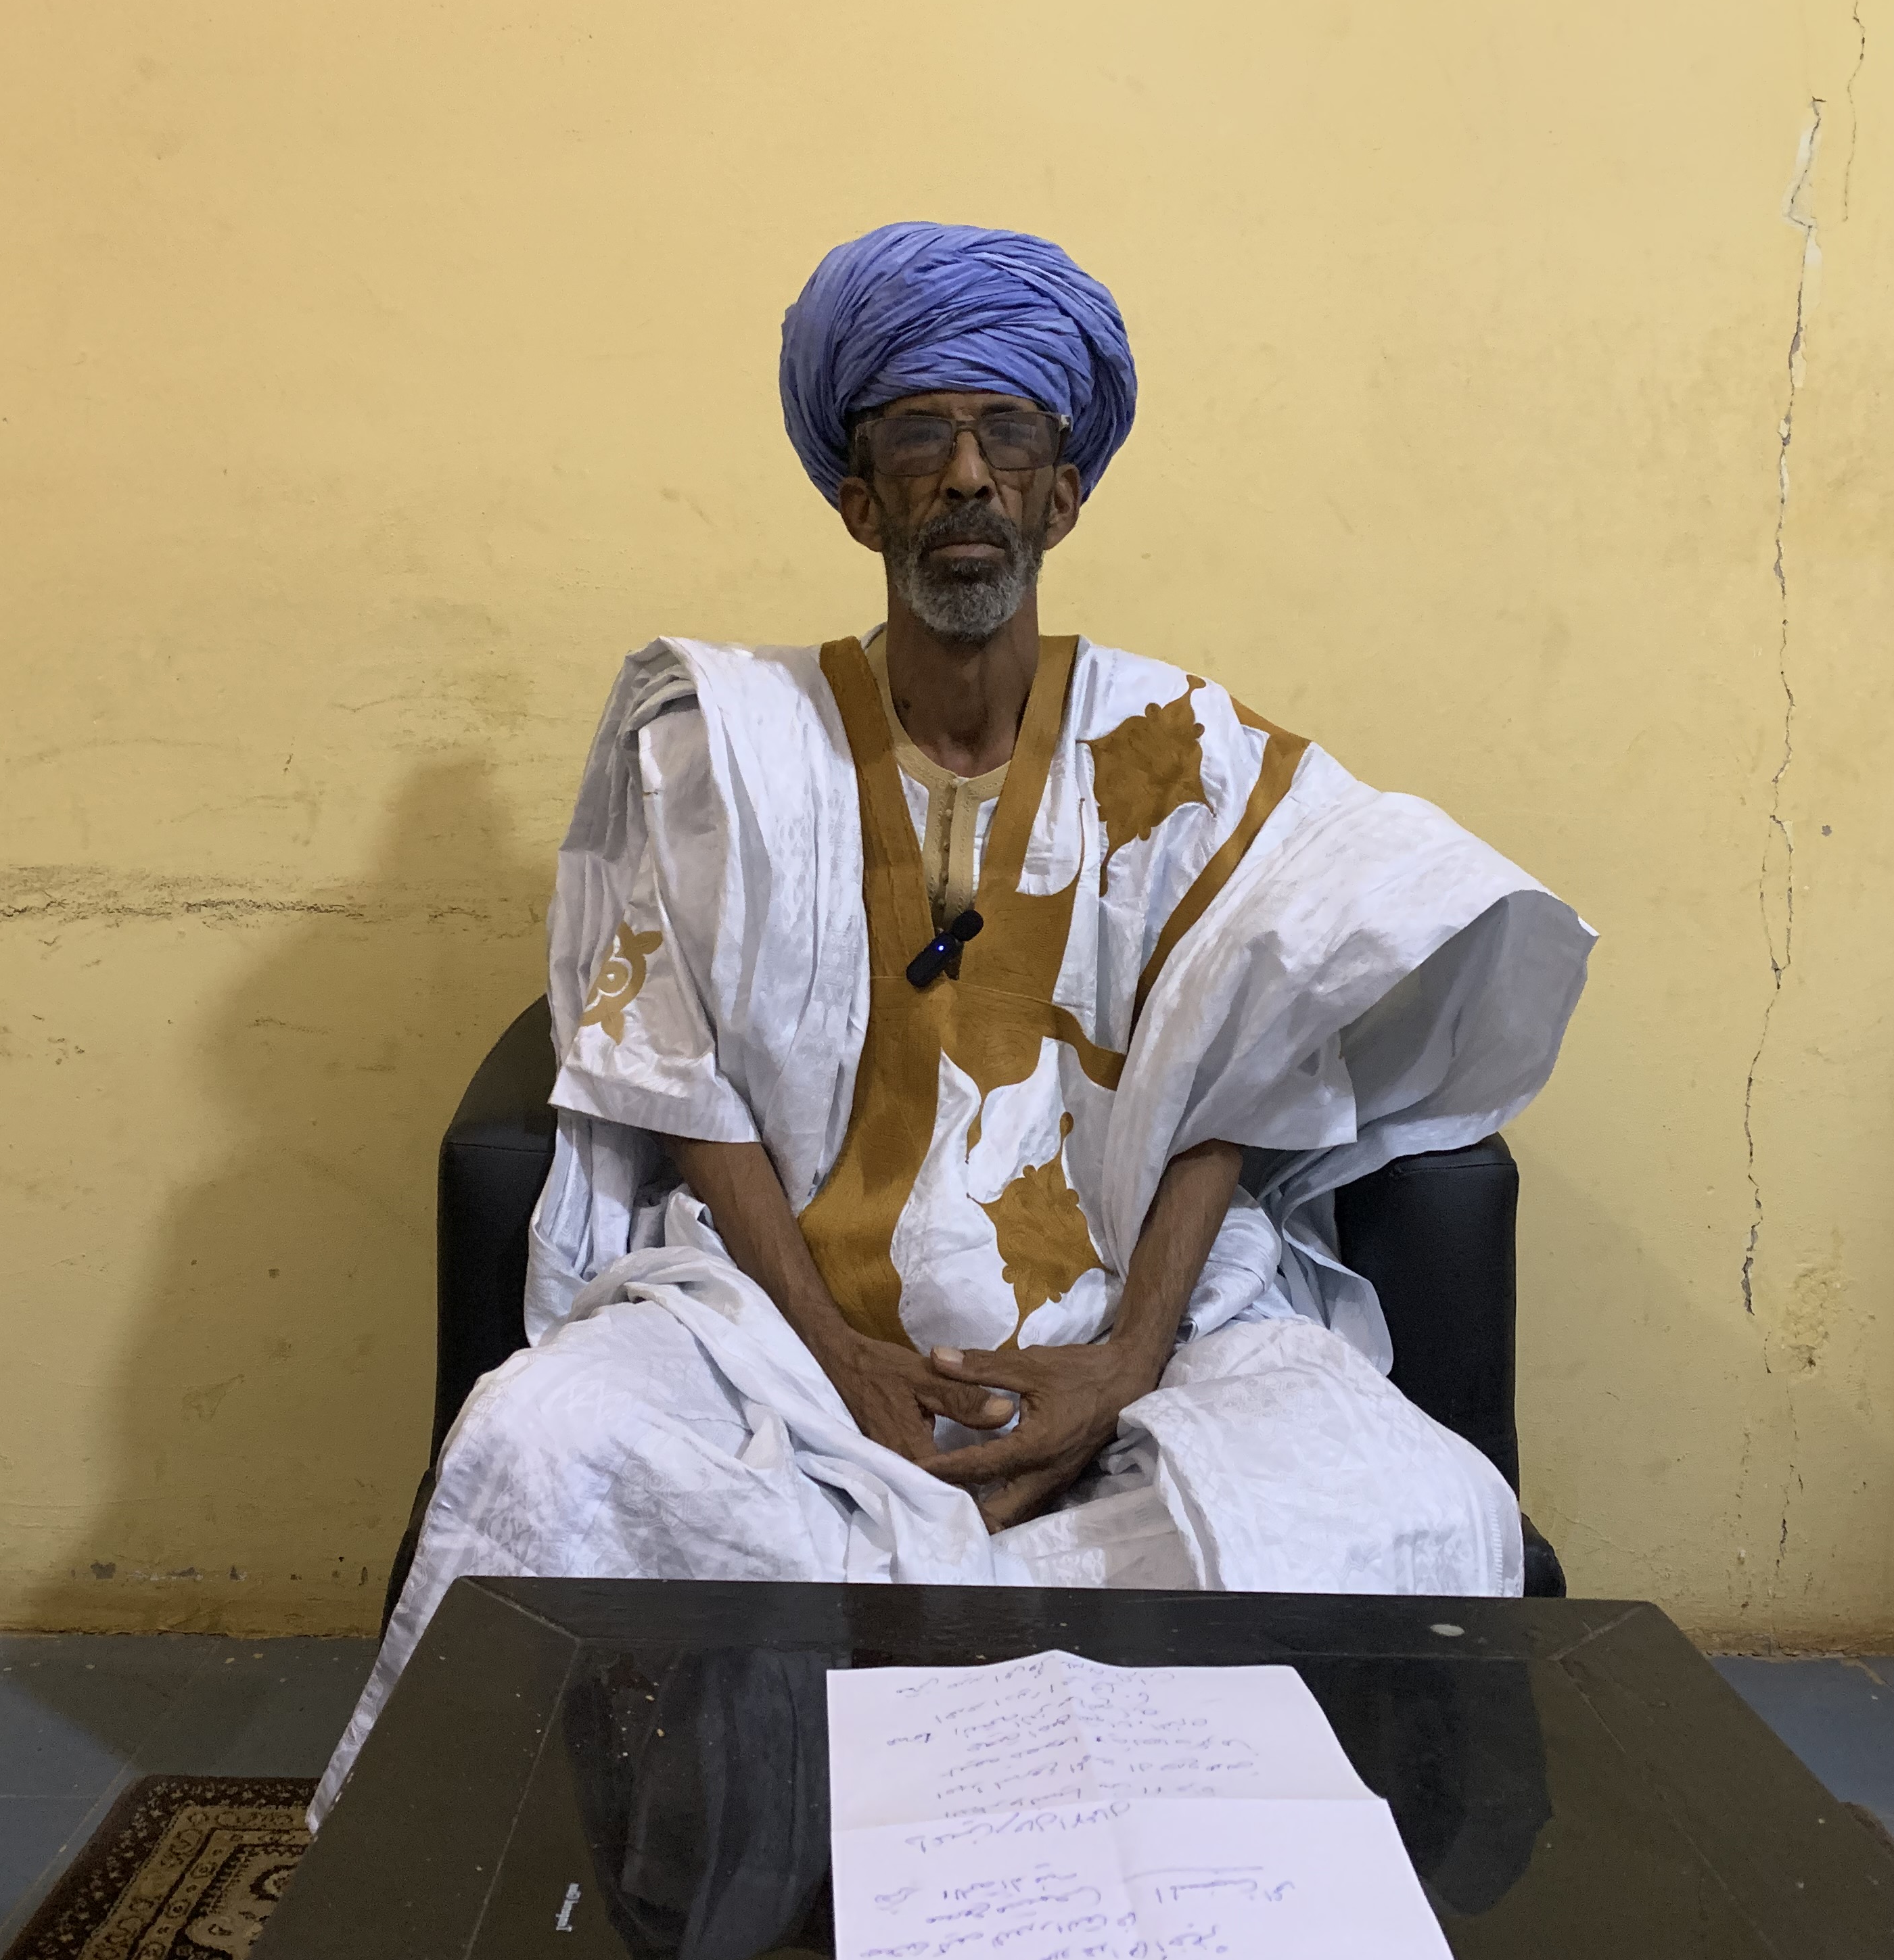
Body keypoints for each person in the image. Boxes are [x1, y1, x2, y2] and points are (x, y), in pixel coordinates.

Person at [313, 223, 1592, 1821]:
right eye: (921, 437)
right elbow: (682, 1080)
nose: (969, 476)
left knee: (1410, 1507)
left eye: (1010, 438)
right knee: (540, 1445)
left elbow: (1234, 1070)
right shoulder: (729, 751)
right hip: (777, 1331)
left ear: (1067, 492)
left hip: (1126, 1328)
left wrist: (1123, 1365)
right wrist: (843, 1361)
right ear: (861, 499)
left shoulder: (1184, 754)